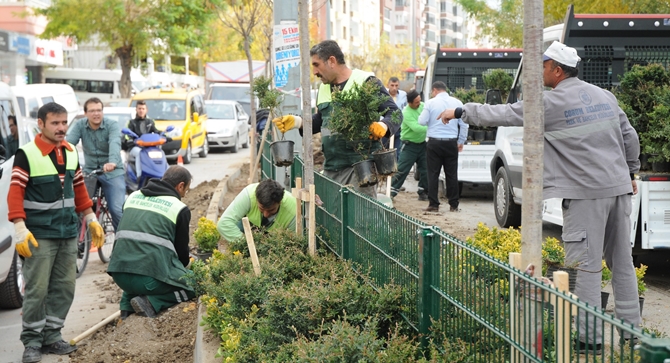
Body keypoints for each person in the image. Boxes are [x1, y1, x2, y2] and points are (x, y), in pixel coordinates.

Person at [439, 41, 641, 352]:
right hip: (618, 190)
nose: (539, 71)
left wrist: (461, 111)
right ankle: (632, 334)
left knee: (586, 267)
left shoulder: (549, 103)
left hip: (585, 195)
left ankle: (590, 340)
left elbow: (504, 113)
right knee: (622, 262)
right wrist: (630, 172)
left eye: (543, 65)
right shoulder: (605, 96)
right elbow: (629, 135)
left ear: (557, 70)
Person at [7, 102, 104, 363]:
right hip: (39, 234)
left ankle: (52, 336)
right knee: (37, 290)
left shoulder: (71, 152)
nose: (61, 128)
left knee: (64, 287)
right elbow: (15, 192)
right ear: (41, 124)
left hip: (67, 232)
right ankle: (32, 342)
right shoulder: (26, 154)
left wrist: (91, 217)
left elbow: (79, 188)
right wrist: (19, 227)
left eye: (64, 123)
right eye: (55, 123)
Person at [272, 40, 400, 198]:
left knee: (360, 217)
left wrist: (384, 125)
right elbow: (321, 120)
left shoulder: (366, 82)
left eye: (316, 64)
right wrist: (298, 122)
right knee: (334, 217)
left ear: (331, 61)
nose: (314, 72)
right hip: (332, 167)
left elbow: (394, 113)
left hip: (360, 168)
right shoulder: (324, 88)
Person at [107, 165, 196, 319]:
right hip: (148, 281)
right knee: (195, 284)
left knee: (138, 260)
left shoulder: (133, 197)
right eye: (186, 190)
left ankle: (127, 306)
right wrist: (189, 268)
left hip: (118, 274)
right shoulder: (179, 208)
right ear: (180, 186)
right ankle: (151, 302)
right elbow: (181, 256)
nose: (184, 195)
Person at [66, 97, 126, 231]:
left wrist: (112, 162)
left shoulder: (112, 125)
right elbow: (69, 145)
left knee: (117, 209)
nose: (96, 114)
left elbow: (115, 143)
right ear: (86, 113)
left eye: (99, 110)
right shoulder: (80, 125)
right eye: (92, 111)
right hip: (90, 171)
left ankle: (123, 242)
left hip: (112, 171)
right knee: (77, 206)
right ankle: (77, 241)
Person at [419, 81, 467, 212]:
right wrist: (461, 141)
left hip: (434, 143)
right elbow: (464, 124)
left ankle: (434, 204)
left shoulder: (430, 103)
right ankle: (454, 204)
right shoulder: (458, 103)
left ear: (434, 90)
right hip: (451, 142)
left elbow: (422, 121)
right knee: (451, 174)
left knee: (433, 173)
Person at [217, 178, 297, 242]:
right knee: (237, 224)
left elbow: (290, 242)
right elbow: (224, 223)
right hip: (249, 227)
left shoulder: (293, 211)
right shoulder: (248, 195)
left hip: (274, 238)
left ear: (280, 202)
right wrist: (247, 244)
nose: (266, 214)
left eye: (271, 210)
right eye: (261, 208)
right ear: (256, 199)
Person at [390, 90, 428, 201]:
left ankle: (423, 191)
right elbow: (416, 128)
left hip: (422, 144)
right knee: (402, 169)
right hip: (409, 145)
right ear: (410, 103)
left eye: (419, 101)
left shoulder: (423, 106)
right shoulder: (406, 113)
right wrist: (431, 129)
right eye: (416, 102)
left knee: (425, 169)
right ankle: (392, 192)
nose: (419, 103)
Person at [125, 100, 168, 178]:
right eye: (139, 108)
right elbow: (127, 135)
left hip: (149, 147)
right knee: (139, 153)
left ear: (146, 110)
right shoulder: (131, 122)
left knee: (160, 152)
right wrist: (130, 140)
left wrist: (164, 135)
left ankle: (164, 174)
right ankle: (139, 175)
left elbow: (156, 131)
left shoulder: (150, 122)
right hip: (135, 147)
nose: (141, 110)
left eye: (143, 109)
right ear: (136, 109)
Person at [383, 76, 408, 159]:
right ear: (388, 85)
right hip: (385, 128)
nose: (394, 88)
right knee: (383, 151)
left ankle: (395, 170)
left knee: (397, 152)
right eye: (392, 85)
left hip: (398, 128)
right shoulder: (383, 94)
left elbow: (406, 109)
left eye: (396, 85)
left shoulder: (403, 95)